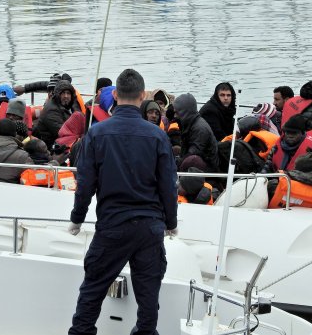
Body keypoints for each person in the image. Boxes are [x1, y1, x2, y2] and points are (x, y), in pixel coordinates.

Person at [67, 68, 177, 335]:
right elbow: (168, 187)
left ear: (115, 94)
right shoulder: (157, 136)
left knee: (92, 290)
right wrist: (171, 224)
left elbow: (85, 185)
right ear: (142, 95)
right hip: (149, 228)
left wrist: (77, 218)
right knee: (148, 296)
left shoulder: (96, 133)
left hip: (113, 225)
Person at [262, 115, 312, 211]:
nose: (290, 135)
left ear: (302, 133)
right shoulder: (276, 148)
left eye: (294, 133)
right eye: (287, 132)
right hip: (277, 190)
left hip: (301, 193)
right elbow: (266, 169)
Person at [173, 93, 219, 172]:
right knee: (174, 150)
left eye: (177, 113)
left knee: (191, 160)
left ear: (184, 112)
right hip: (199, 161)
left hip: (207, 169)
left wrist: (173, 164)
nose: (175, 116)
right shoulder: (191, 122)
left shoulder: (200, 129)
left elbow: (193, 154)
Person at [34, 80, 77, 148]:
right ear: (57, 94)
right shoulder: (51, 110)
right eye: (63, 93)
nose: (66, 96)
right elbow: (62, 132)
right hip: (50, 146)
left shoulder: (66, 106)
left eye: (68, 93)